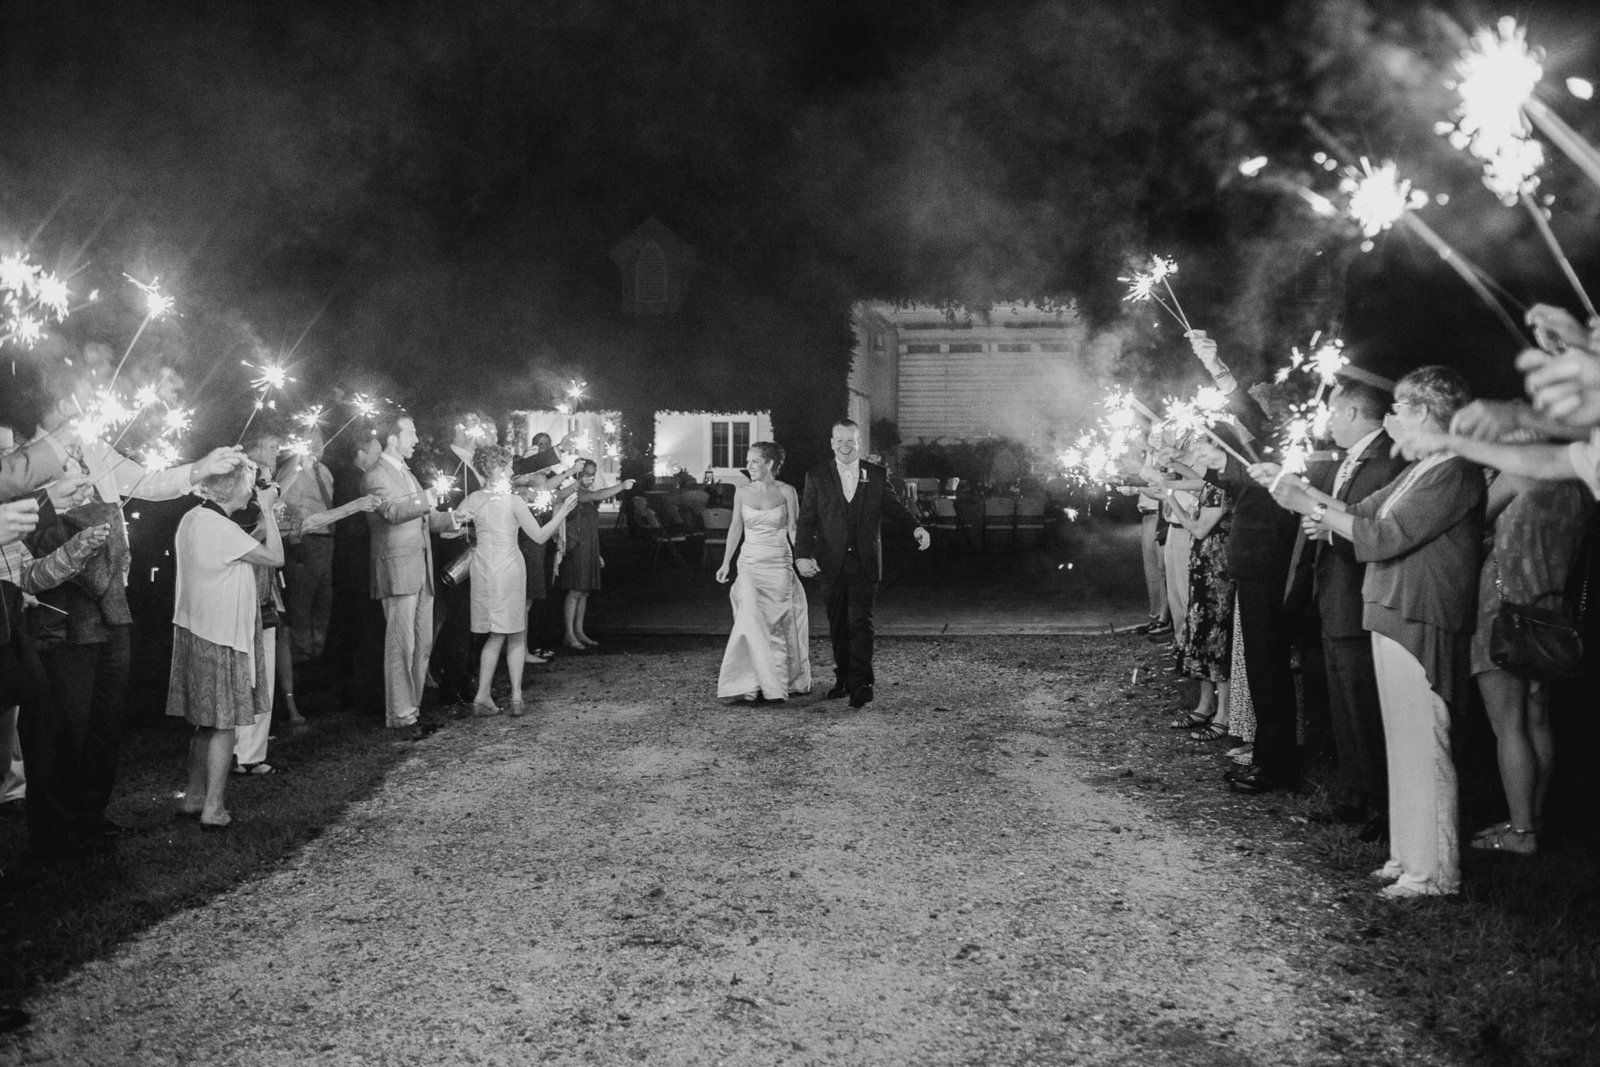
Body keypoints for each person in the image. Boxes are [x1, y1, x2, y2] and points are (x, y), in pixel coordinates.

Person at [1267, 366, 1484, 899]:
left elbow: (1385, 536)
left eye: (1398, 413)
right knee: (1401, 741)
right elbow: (1358, 511)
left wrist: (1310, 505)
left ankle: (1434, 873)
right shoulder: (1420, 469)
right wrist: (1300, 492)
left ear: (1425, 415)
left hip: (1421, 614)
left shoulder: (1453, 472)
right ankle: (1407, 857)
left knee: (1423, 745)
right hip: (1387, 611)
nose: (1389, 423)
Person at [1303, 379, 1406, 833]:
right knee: (1344, 704)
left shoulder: (1385, 460)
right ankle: (1355, 795)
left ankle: (1382, 809)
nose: (1325, 421)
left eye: (1331, 413)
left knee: (1364, 706)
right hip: (1333, 593)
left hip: (1359, 592)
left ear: (1350, 413)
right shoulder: (1347, 458)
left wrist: (1327, 528)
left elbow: (1370, 525)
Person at [167, 462, 284, 829]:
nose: (252, 491)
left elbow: (245, 542)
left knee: (204, 722)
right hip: (222, 636)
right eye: (249, 485)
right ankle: (213, 808)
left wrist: (266, 518)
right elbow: (275, 557)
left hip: (194, 629)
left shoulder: (194, 519)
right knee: (224, 724)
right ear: (233, 489)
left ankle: (194, 795)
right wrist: (267, 509)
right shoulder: (219, 528)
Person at [794, 419, 930, 709]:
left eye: (851, 441)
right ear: (832, 443)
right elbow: (806, 518)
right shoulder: (817, 475)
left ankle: (861, 684)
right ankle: (843, 678)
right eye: (839, 441)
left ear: (859, 443)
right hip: (830, 563)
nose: (845, 446)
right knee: (838, 625)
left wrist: (916, 527)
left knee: (860, 623)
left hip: (865, 563)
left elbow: (894, 508)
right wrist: (802, 555)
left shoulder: (877, 475)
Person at [455, 445, 576, 717]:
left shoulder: (473, 499)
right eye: (508, 466)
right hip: (508, 567)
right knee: (515, 632)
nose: (512, 471)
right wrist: (563, 511)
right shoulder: (513, 501)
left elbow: (453, 530)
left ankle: (482, 695)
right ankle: (516, 697)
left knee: (494, 634)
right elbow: (540, 535)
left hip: (483, 568)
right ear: (496, 469)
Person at [362, 413, 460, 735]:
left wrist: (454, 518)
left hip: (423, 570)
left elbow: (425, 518)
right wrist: (428, 497)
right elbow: (392, 512)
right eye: (412, 433)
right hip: (398, 568)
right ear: (393, 438)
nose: (416, 440)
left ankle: (414, 709)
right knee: (401, 644)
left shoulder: (409, 474)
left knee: (422, 643)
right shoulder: (376, 475)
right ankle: (400, 714)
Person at [715, 441, 812, 702]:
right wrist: (726, 563)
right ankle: (747, 682)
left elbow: (793, 529)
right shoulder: (741, 492)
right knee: (749, 618)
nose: (749, 466)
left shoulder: (787, 492)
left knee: (776, 623)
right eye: (748, 461)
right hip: (749, 565)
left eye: (754, 461)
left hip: (778, 563)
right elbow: (736, 528)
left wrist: (803, 557)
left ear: (769, 463)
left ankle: (776, 680)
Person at [556, 459, 634, 650]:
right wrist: (621, 486)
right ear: (577, 475)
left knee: (585, 591)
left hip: (589, 545)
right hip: (577, 546)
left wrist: (597, 553)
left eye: (593, 473)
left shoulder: (586, 494)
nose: (590, 477)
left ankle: (579, 631)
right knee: (574, 590)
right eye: (586, 474)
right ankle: (569, 633)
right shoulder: (576, 493)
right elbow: (597, 495)